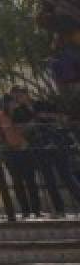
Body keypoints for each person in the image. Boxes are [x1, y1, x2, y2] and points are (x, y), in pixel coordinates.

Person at [14, 85, 80, 217]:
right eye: (16, 97)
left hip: (55, 143)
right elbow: (20, 130)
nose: (18, 98)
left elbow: (63, 118)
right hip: (39, 147)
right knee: (49, 180)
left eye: (20, 95)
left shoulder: (42, 104)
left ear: (26, 94)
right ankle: (59, 210)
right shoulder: (18, 112)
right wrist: (33, 123)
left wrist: (48, 116)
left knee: (67, 176)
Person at [0, 91, 41, 218]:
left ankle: (36, 210)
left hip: (25, 150)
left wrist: (26, 141)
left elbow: (32, 129)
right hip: (10, 152)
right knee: (17, 182)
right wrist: (6, 146)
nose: (14, 104)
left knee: (31, 181)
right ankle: (25, 210)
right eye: (12, 102)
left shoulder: (22, 112)